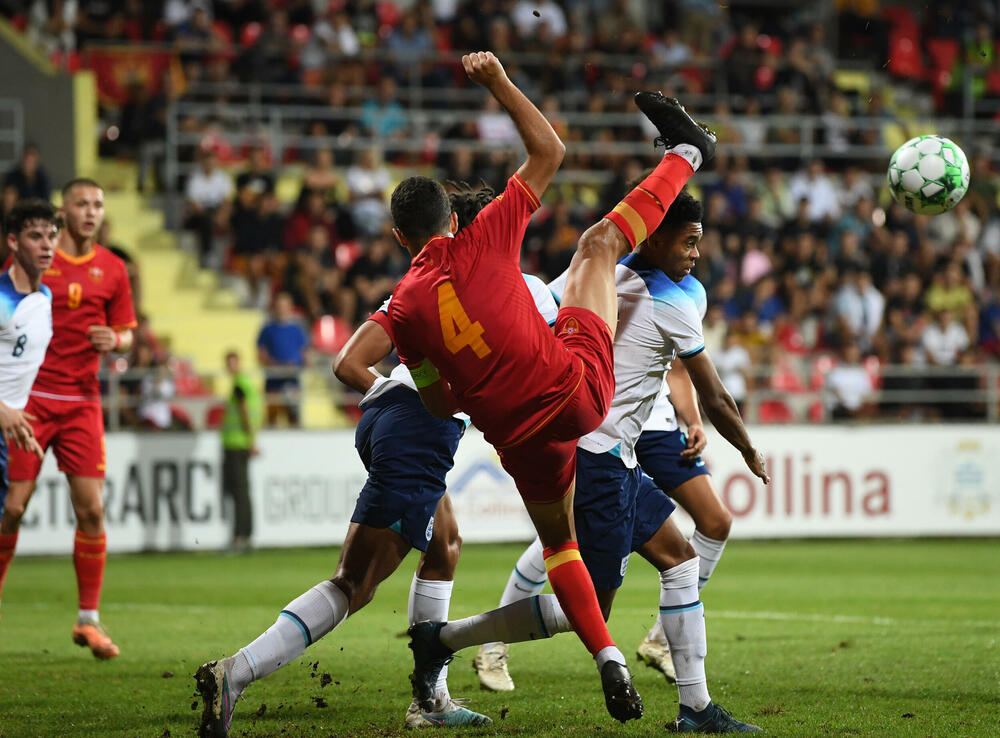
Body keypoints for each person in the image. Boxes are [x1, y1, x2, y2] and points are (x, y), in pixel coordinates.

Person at [389, 51, 716, 722]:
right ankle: (686, 153)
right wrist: (497, 82)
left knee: (559, 547)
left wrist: (478, 384)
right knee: (598, 245)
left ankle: (611, 658)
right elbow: (550, 148)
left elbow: (436, 402)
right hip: (576, 392)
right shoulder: (480, 237)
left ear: (399, 237)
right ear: (451, 218)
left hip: (516, 436)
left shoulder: (400, 309)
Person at [193, 184, 555, 736]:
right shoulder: (522, 288)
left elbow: (346, 362)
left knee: (445, 544)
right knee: (353, 585)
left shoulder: (416, 287)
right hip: (420, 435)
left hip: (388, 419)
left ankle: (430, 698)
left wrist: (398, 398)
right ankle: (234, 673)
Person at [407, 189, 769, 733]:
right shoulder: (672, 303)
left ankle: (696, 707)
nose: (696, 254)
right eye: (689, 241)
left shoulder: (599, 272)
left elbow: (537, 312)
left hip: (605, 454)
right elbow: (716, 397)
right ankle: (447, 638)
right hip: (599, 459)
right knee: (589, 606)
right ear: (654, 235)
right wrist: (748, 449)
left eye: (700, 243)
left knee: (679, 558)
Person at [0, 178, 136, 659]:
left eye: (98, 203)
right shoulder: (38, 261)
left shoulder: (113, 269)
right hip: (31, 399)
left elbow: (127, 334)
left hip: (81, 401)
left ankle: (89, 621)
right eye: (81, 203)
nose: (90, 211)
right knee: (12, 506)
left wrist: (115, 341)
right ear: (63, 210)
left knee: (92, 510)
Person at [0, 200, 56, 532]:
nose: (46, 244)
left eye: (51, 235)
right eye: (35, 236)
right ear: (13, 242)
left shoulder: (45, 297)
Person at [220, 350, 261, 551]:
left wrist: (251, 440)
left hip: (237, 444)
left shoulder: (239, 386)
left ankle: (241, 536)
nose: (230, 367)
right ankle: (244, 535)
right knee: (241, 492)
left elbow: (244, 412)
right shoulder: (245, 383)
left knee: (239, 493)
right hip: (240, 443)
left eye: (232, 363)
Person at [256, 292, 308, 427]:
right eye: (279, 305)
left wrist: (299, 365)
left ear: (290, 307)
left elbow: (305, 354)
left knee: (294, 417)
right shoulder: (268, 329)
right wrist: (277, 365)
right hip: (274, 381)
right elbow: (261, 354)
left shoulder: (297, 329)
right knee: (272, 417)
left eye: (285, 305)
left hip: (292, 380)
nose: (282, 308)